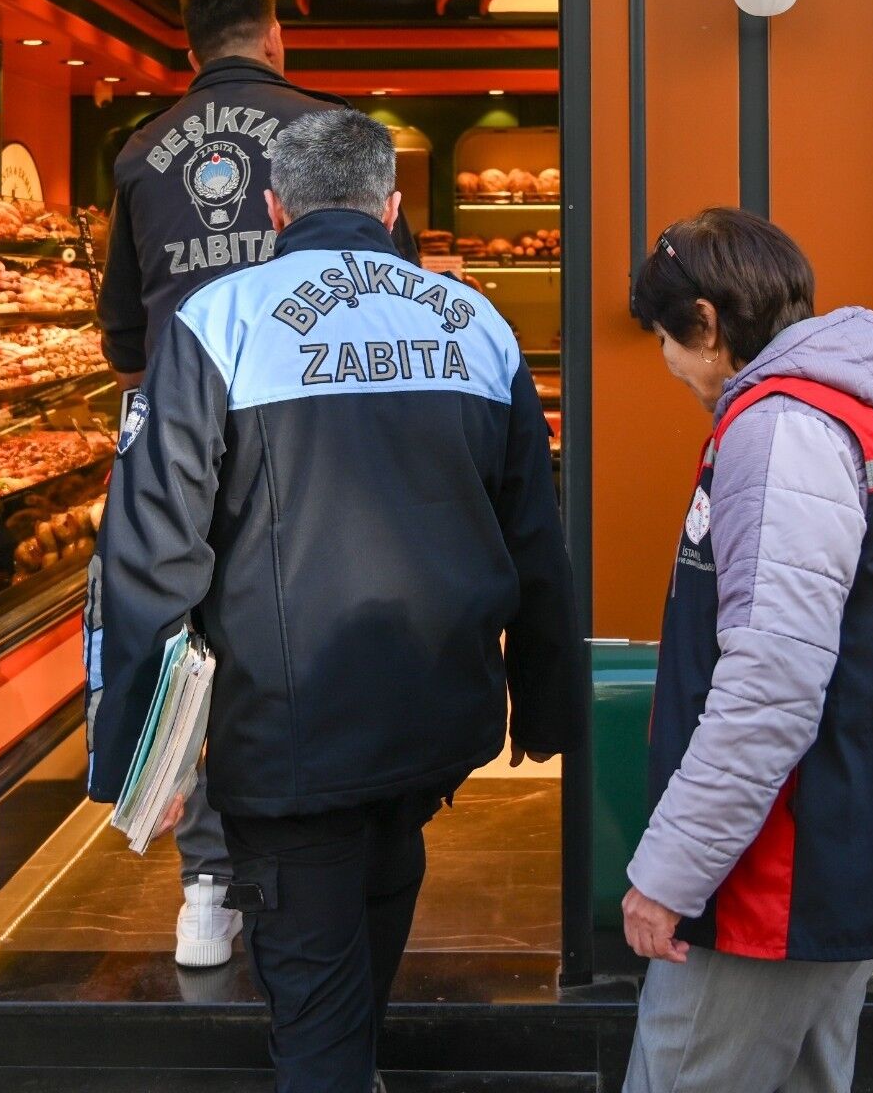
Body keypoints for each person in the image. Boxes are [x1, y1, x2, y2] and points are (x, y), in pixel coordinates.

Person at [91, 105, 582, 1093]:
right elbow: (537, 537)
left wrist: (139, 752)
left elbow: (152, 551)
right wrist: (545, 706)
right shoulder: (474, 322)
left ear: (275, 208)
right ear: (391, 207)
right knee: (372, 921)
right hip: (436, 720)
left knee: (313, 1006)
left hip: (290, 733)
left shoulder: (219, 320)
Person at [95, 0, 412, 966]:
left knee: (197, 642)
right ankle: (340, 845)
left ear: (188, 49)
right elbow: (393, 291)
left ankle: (206, 885)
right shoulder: (333, 134)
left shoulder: (139, 151)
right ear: (275, 36)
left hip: (185, 426)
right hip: (317, 424)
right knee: (320, 625)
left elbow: (120, 334)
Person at [620, 208, 873, 1093]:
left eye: (665, 338)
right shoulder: (852, 416)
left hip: (772, 880)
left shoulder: (779, 430)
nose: (667, 361)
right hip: (836, 854)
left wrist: (670, 874)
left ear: (708, 323)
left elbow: (771, 684)